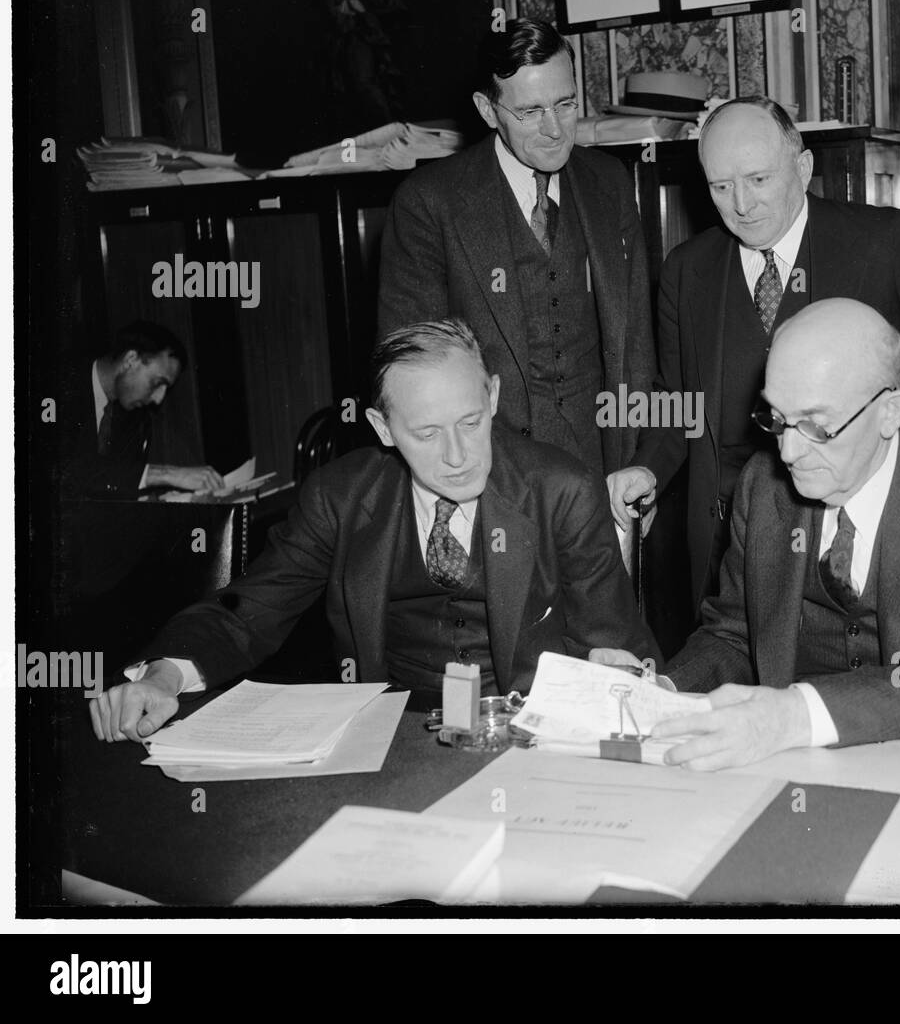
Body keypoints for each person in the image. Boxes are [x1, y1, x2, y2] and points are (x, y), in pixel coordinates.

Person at [89, 319, 661, 744]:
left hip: (526, 740)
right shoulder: (339, 498)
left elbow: (617, 651)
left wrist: (621, 681)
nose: (459, 456)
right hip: (388, 742)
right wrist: (162, 677)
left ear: (492, 396)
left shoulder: (562, 490)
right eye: (427, 434)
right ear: (383, 429)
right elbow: (247, 614)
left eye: (470, 421)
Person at [598, 300, 900, 770]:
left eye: (816, 426)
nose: (788, 452)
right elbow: (734, 634)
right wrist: (661, 693)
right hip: (801, 761)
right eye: (776, 419)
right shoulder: (763, 485)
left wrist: (796, 715)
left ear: (890, 412)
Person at [620, 96, 900, 611]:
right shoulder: (686, 269)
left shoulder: (884, 242)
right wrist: (647, 469)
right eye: (721, 186)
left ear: (803, 168)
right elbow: (677, 399)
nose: (742, 204)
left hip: (864, 526)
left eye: (759, 179)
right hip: (731, 542)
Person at [377, 18, 656, 533]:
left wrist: (641, 463)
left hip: (604, 476)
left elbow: (635, 345)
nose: (555, 129)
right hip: (494, 486)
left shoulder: (610, 184)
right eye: (530, 111)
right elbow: (412, 373)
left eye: (566, 104)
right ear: (488, 110)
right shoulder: (429, 203)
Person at [59, 320, 222, 499]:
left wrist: (165, 500)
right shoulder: (58, 388)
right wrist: (165, 474)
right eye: (157, 383)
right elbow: (63, 473)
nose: (158, 399)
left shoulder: (137, 419)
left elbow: (117, 486)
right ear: (130, 360)